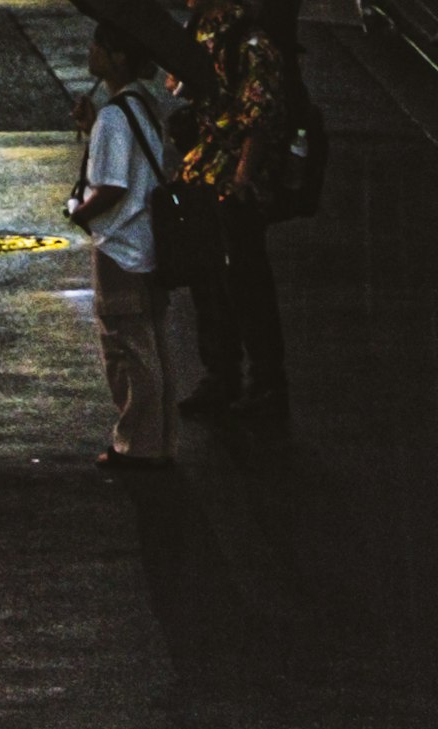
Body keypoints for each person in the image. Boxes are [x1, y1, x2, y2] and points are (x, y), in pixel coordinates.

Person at [73, 32, 184, 470]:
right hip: (145, 243)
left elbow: (113, 186)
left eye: (100, 45)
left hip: (122, 247)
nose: (91, 51)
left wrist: (81, 213)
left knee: (127, 350)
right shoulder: (139, 105)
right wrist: (90, 127)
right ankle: (159, 439)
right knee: (150, 346)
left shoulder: (116, 118)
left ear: (119, 56)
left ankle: (137, 445)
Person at [176, 0, 289, 423]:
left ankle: (265, 384)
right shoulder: (200, 28)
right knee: (208, 280)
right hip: (202, 172)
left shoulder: (252, 42)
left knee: (245, 283)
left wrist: (241, 178)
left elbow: (258, 119)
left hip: (231, 181)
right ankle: (221, 375)